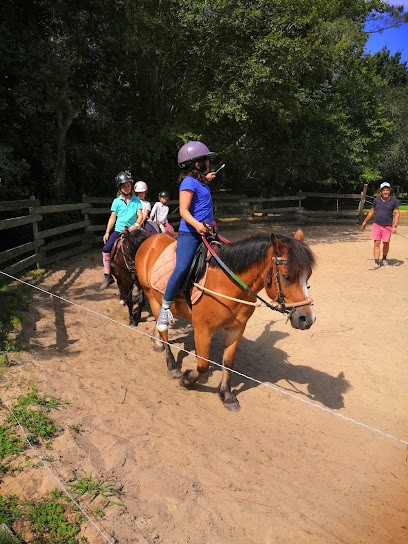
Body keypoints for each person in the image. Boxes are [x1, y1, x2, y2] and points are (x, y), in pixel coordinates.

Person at [157, 141, 216, 331]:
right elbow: (183, 210)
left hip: (207, 231)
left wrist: (206, 179)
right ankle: (165, 307)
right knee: (182, 267)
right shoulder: (188, 182)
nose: (208, 162)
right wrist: (198, 226)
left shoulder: (199, 181)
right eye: (205, 160)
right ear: (196, 164)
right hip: (190, 233)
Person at [100, 171, 143, 289]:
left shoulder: (136, 200)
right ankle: (108, 275)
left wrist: (136, 225)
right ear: (120, 187)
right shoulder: (116, 201)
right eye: (124, 185)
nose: (127, 187)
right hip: (119, 230)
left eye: (128, 184)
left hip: (133, 230)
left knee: (145, 244)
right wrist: (107, 232)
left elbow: (140, 215)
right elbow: (112, 217)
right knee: (106, 249)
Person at [361, 181, 400, 270]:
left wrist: (394, 226)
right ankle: (376, 262)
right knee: (377, 243)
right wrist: (365, 221)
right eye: (384, 190)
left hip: (387, 226)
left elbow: (397, 214)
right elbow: (372, 211)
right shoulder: (376, 200)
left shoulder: (394, 201)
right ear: (381, 191)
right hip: (377, 224)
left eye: (387, 190)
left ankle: (384, 259)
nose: (385, 192)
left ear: (389, 191)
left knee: (386, 243)